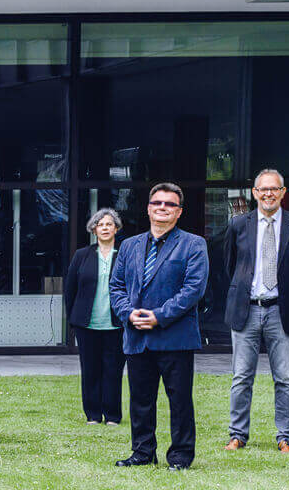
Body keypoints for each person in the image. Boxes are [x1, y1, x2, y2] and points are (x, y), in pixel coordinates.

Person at [109, 183, 208, 471]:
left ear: (179, 212)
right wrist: (128, 314)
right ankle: (142, 452)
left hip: (174, 336)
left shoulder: (193, 244)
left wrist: (158, 316)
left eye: (169, 204)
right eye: (157, 203)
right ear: (148, 207)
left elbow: (193, 290)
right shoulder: (129, 245)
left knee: (179, 401)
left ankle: (180, 456)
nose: (162, 208)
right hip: (137, 335)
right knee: (140, 400)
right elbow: (116, 286)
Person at [223, 169, 289, 453]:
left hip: (280, 310)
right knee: (241, 376)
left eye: (274, 189)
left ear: (283, 193)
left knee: (284, 377)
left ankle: (285, 436)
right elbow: (231, 266)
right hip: (246, 309)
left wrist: (286, 292)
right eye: (263, 189)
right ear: (255, 193)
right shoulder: (239, 224)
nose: (268, 194)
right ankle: (238, 434)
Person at [62, 208, 126, 425]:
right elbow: (70, 289)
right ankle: (92, 415)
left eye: (109, 224)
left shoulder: (125, 253)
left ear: (116, 228)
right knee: (90, 370)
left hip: (117, 324)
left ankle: (112, 416)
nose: (105, 228)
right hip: (87, 324)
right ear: (94, 229)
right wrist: (72, 317)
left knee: (113, 370)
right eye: (101, 224)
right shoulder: (82, 255)